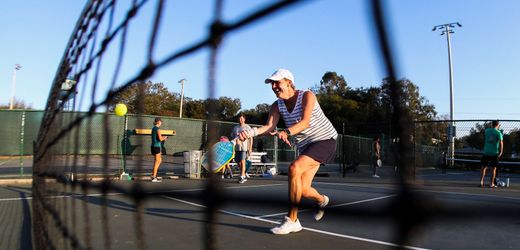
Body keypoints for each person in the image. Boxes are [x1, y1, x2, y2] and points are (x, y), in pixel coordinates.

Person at [238, 69, 338, 235]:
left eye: (277, 82)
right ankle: (322, 200)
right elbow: (269, 126)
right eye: (272, 83)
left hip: (325, 140)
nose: (274, 86)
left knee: (294, 168)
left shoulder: (307, 96)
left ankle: (292, 220)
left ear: (289, 82)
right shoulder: (277, 106)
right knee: (303, 189)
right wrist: (249, 133)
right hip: (307, 146)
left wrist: (287, 132)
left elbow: (305, 122)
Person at [479, 120, 503, 188]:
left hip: (486, 152)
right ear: (498, 125)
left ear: (492, 124)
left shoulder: (487, 131)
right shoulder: (498, 133)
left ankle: (481, 182)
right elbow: (501, 143)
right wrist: (501, 151)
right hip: (494, 153)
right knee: (493, 169)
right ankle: (491, 183)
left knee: (483, 167)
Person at [231, 114, 253, 184]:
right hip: (237, 148)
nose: (240, 120)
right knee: (238, 162)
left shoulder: (247, 127)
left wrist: (250, 148)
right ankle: (244, 172)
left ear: (244, 119)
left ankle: (242, 176)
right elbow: (232, 137)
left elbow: (251, 138)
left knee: (243, 161)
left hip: (244, 147)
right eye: (239, 118)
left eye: (242, 118)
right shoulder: (235, 128)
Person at [151, 117, 167, 182]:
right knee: (157, 161)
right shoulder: (157, 129)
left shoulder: (153, 128)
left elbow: (158, 138)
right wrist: (164, 138)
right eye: (161, 121)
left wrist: (162, 137)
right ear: (158, 122)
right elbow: (160, 139)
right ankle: (154, 177)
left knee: (159, 161)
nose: (161, 123)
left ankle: (153, 175)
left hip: (153, 146)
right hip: (156, 147)